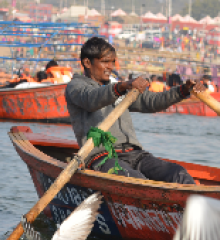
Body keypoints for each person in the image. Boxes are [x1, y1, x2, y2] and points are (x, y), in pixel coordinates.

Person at [65, 37, 206, 184]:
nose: (110, 67)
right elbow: (90, 99)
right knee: (135, 180)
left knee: (178, 173)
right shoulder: (76, 86)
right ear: (88, 63)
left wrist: (182, 90)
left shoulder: (117, 86)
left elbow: (151, 102)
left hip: (135, 154)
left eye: (112, 62)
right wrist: (121, 87)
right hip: (101, 158)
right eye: (105, 62)